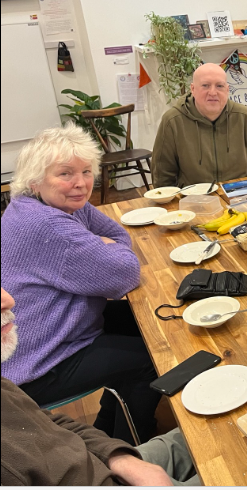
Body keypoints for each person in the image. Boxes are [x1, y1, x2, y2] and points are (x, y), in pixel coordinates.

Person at [1, 124, 159, 445]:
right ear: (35, 180)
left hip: (54, 327)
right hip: (37, 362)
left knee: (150, 323)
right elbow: (126, 272)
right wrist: (102, 252)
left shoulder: (50, 203)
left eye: (87, 171)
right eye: (65, 173)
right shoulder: (45, 224)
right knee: (152, 359)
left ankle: (107, 425)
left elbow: (117, 236)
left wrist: (101, 250)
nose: (80, 183)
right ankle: (127, 448)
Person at [1, 287, 199, 486]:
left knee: (207, 431)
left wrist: (119, 458)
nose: (9, 300)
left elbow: (48, 423)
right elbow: (124, 274)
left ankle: (116, 430)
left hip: (97, 462)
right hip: (47, 367)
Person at [151, 62, 247, 188]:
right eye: (205, 85)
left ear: (227, 89)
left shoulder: (244, 116)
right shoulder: (172, 121)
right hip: (195, 199)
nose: (213, 92)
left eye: (219, 86)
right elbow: (162, 177)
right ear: (193, 89)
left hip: (241, 194)